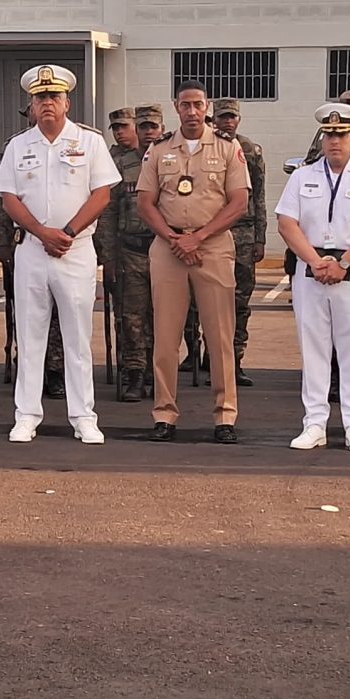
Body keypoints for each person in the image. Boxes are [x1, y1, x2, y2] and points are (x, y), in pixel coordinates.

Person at [0, 65, 121, 444]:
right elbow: (9, 198)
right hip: (32, 249)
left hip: (75, 249)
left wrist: (66, 232)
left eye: (53, 97)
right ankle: (27, 414)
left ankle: (83, 417)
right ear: (31, 104)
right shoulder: (18, 145)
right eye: (40, 98)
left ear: (67, 102)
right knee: (30, 336)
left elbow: (102, 194)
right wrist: (41, 232)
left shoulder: (90, 142)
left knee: (77, 337)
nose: (47, 103)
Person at [277, 103, 350, 451]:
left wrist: (343, 263)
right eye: (329, 135)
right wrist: (315, 261)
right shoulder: (303, 176)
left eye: (342, 135)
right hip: (310, 270)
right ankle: (314, 423)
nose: (334, 142)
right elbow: (287, 223)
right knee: (313, 349)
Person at [137, 80, 250, 443]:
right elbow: (145, 203)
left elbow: (238, 202)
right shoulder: (158, 151)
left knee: (219, 336)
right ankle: (164, 413)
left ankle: (225, 415)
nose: (191, 111)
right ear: (176, 106)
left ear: (207, 107)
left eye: (198, 105)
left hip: (212, 246)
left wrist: (197, 238)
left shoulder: (229, 149)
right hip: (168, 245)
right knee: (166, 337)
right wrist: (174, 239)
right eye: (185, 105)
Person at [213, 98, 269, 386]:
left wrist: (261, 237)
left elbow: (258, 196)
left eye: (232, 117)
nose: (228, 122)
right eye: (223, 117)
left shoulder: (250, 151)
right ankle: (203, 357)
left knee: (239, 302)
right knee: (204, 302)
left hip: (243, 234)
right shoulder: (204, 146)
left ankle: (233, 361)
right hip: (210, 234)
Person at [108, 104, 160, 401]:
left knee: (163, 316)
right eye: (143, 127)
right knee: (131, 317)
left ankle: (157, 371)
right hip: (130, 249)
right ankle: (135, 374)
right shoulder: (122, 164)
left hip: (163, 248)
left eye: (153, 126)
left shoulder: (171, 159)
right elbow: (109, 210)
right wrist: (109, 256)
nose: (148, 132)